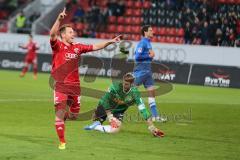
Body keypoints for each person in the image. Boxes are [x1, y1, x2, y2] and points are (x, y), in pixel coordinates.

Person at [49, 7, 121, 150]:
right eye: (70, 32)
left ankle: (62, 118)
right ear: (63, 35)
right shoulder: (58, 45)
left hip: (75, 86)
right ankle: (62, 142)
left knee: (74, 115)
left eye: (73, 32)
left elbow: (95, 46)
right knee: (59, 114)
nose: (73, 33)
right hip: (61, 85)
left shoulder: (78, 47)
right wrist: (59, 19)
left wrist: (109, 42)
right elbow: (52, 34)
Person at [84, 73, 164, 137]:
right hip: (105, 107)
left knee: (115, 130)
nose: (124, 85)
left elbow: (143, 110)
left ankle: (96, 126)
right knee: (96, 119)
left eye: (127, 84)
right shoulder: (115, 87)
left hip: (118, 112)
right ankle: (97, 117)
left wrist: (151, 127)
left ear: (132, 84)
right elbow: (105, 100)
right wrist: (110, 116)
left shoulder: (135, 93)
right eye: (124, 83)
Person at [133, 25, 167, 122]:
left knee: (152, 93)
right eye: (150, 30)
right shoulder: (143, 42)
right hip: (140, 72)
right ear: (145, 32)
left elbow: (149, 56)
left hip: (147, 72)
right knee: (129, 93)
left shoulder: (148, 43)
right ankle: (115, 111)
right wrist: (149, 55)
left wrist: (150, 56)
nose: (153, 32)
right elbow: (137, 57)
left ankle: (155, 116)